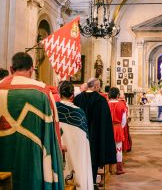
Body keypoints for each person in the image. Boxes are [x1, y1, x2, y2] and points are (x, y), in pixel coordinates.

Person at [0, 52, 64, 190]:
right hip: (32, 161)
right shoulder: (42, 91)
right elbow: (53, 132)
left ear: (11, 69)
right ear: (31, 69)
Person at [74, 78, 116, 185]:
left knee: (81, 163)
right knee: (93, 162)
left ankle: (81, 184)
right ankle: (91, 184)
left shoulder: (78, 98)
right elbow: (105, 123)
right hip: (95, 140)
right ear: (97, 87)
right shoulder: (101, 100)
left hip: (80, 137)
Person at [56, 81, 93, 190]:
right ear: (72, 95)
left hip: (60, 153)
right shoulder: (80, 113)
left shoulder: (53, 110)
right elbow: (84, 140)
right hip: (77, 155)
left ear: (59, 93)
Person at [108, 87, 127, 174]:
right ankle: (119, 168)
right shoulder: (122, 105)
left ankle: (109, 168)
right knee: (118, 149)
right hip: (118, 127)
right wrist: (120, 126)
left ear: (109, 95)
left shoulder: (106, 104)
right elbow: (124, 120)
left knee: (108, 148)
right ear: (118, 95)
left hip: (108, 128)